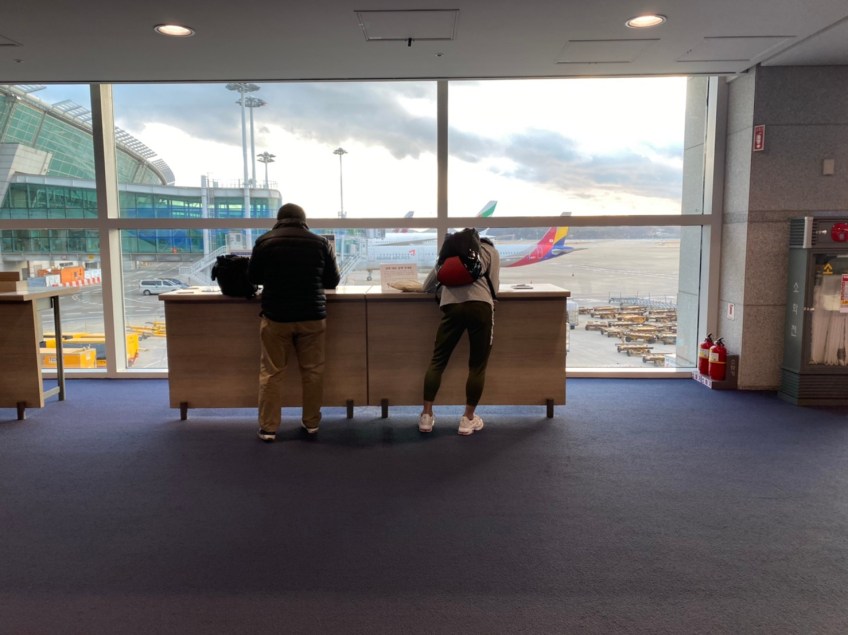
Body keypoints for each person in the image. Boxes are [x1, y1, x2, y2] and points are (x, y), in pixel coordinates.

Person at [248, 203, 341, 443]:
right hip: (312, 316)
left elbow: (253, 277)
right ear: (303, 220)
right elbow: (332, 280)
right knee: (313, 371)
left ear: (279, 220)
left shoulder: (264, 241)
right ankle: (311, 423)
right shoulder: (320, 243)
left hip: (276, 316)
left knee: (271, 373)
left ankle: (268, 428)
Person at [419, 235, 500, 435]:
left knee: (438, 361)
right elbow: (494, 287)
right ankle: (467, 419)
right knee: (477, 366)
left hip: (451, 307)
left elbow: (427, 285)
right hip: (480, 307)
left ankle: (426, 416)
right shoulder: (490, 251)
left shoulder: (450, 252)